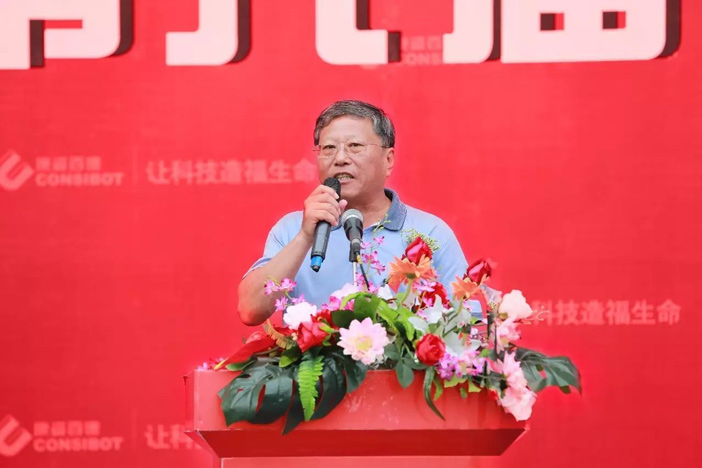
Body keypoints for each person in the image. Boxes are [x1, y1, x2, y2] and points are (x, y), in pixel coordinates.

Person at [238, 100, 468, 326]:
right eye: (329, 148)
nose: (340, 158)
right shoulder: (291, 230)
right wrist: (305, 236)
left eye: (355, 146)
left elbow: (467, 322)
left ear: (388, 160)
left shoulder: (430, 233)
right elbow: (250, 310)